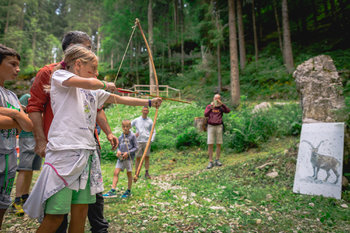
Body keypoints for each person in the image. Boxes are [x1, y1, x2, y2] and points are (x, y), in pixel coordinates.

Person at [23, 44, 161, 233]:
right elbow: (92, 84)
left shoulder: (92, 89)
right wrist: (104, 83)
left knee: (80, 213)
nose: (96, 74)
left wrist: (149, 102)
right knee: (55, 216)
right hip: (64, 153)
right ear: (77, 64)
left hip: (87, 154)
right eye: (93, 69)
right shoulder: (60, 76)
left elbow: (117, 98)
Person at [27, 31, 117, 233]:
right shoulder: (50, 72)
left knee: (89, 201)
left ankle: (99, 229)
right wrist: (40, 140)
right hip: (63, 146)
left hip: (87, 144)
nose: (90, 52)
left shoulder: (87, 73)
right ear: (72, 50)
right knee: (58, 207)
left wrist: (108, 132)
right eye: (87, 47)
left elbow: (97, 106)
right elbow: (34, 107)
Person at [0, 44, 33, 230]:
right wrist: (18, 116)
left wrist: (19, 116)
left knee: (2, 204)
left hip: (9, 160)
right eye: (12, 64)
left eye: (18, 65)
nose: (17, 69)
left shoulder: (12, 95)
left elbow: (28, 125)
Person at [11, 90, 42, 216]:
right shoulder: (27, 98)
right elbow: (19, 116)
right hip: (27, 136)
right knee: (24, 169)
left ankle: (25, 196)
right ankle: (17, 201)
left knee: (30, 169)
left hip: (38, 137)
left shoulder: (42, 102)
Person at [103, 120, 137, 198]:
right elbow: (119, 146)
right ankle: (113, 190)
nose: (125, 128)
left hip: (128, 159)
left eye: (127, 126)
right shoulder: (120, 137)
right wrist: (118, 151)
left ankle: (128, 190)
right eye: (124, 127)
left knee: (129, 174)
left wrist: (128, 153)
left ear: (130, 127)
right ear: (122, 127)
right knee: (116, 172)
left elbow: (136, 147)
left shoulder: (132, 136)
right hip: (121, 159)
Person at [204, 94, 230, 169]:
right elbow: (205, 114)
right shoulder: (209, 106)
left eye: (218, 99)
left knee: (219, 143)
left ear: (220, 99)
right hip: (211, 126)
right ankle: (210, 161)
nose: (217, 100)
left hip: (219, 126)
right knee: (210, 143)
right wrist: (211, 107)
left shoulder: (221, 107)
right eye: (215, 98)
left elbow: (228, 111)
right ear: (213, 99)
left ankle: (217, 160)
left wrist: (222, 104)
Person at [131, 106, 155, 179]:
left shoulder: (150, 121)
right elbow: (129, 127)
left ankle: (146, 173)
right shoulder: (137, 120)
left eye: (146, 110)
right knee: (138, 157)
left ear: (148, 112)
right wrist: (133, 135)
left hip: (147, 141)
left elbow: (153, 131)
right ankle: (136, 173)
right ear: (142, 111)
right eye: (144, 110)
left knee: (147, 157)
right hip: (138, 141)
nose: (145, 112)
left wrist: (151, 140)